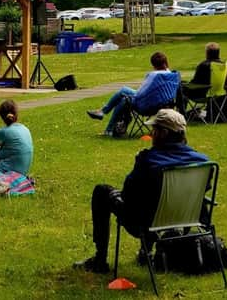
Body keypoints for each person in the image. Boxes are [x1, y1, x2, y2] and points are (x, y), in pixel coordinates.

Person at [74, 109, 210, 274]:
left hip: (145, 223)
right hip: (189, 218)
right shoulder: (203, 162)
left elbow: (128, 194)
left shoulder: (149, 160)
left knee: (102, 192)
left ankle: (100, 260)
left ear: (164, 133)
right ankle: (145, 253)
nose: (151, 134)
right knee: (150, 198)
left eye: (154, 130)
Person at [87, 52, 179, 136]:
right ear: (166, 62)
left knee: (124, 91)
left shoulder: (154, 75)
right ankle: (110, 129)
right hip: (165, 106)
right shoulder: (173, 75)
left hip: (147, 107)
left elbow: (140, 93)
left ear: (153, 64)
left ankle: (104, 113)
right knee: (124, 100)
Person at [177, 42, 222, 116]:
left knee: (181, 87)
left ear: (207, 53)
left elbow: (195, 83)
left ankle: (181, 114)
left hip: (202, 94)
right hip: (218, 94)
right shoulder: (223, 66)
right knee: (183, 83)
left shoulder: (203, 65)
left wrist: (187, 84)